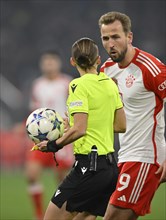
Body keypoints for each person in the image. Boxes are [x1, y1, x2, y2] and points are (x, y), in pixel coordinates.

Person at [36, 37, 126, 220]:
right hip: (109, 169)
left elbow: (80, 129)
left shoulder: (78, 85)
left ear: (72, 61)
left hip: (88, 167)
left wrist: (54, 144)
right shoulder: (110, 83)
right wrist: (79, 123)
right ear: (98, 59)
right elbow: (120, 125)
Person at [98, 11, 166, 220]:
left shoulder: (151, 68)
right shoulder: (106, 70)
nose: (111, 44)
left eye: (116, 36)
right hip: (125, 155)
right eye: (106, 38)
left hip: (146, 155)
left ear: (129, 37)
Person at [25, 50, 74, 220]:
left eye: (52, 61)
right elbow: (34, 111)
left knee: (62, 182)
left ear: (59, 63)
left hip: (62, 139)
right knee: (31, 175)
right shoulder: (37, 85)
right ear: (41, 64)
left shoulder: (67, 83)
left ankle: (63, 215)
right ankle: (39, 215)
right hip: (40, 139)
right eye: (46, 62)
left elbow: (75, 109)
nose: (49, 64)